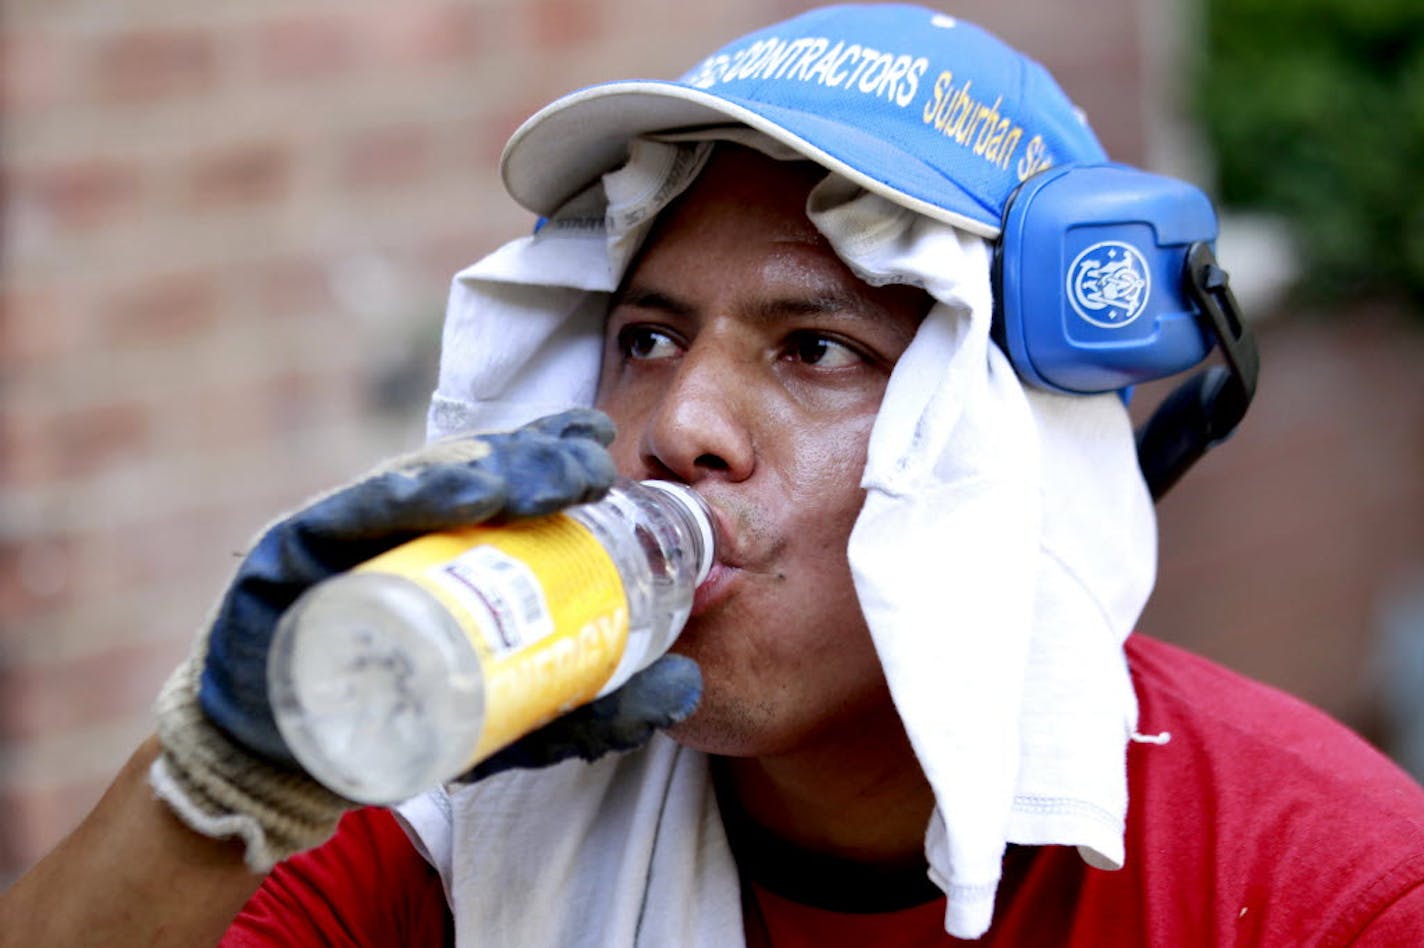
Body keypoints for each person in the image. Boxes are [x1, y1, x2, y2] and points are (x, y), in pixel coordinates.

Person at [3, 5, 1423, 945]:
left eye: (815, 348)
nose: (678, 424)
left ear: (1012, 444)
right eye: (644, 335)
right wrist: (221, 776)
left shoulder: (1318, 885)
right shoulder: (449, 820)